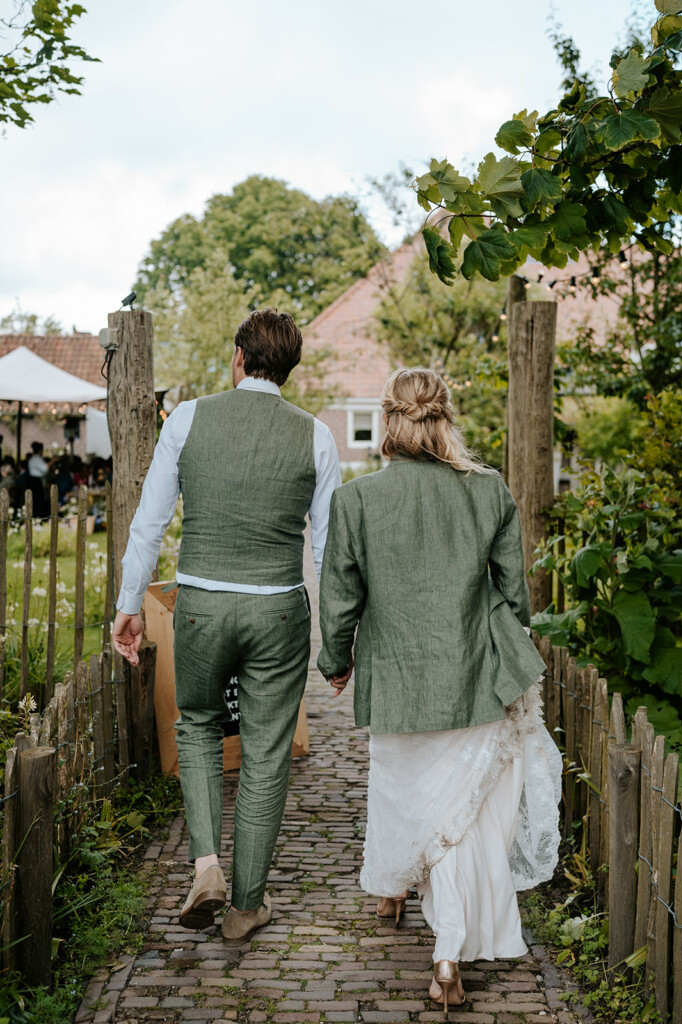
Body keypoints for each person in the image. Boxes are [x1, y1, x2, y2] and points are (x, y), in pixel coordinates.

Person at [317, 367, 562, 1017]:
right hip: (472, 680)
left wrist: (334, 661)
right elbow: (515, 598)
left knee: (405, 801)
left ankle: (408, 907)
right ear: (444, 418)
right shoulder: (488, 492)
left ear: (388, 421)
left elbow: (340, 601)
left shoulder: (357, 501)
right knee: (459, 820)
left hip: (396, 683)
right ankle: (445, 953)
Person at [112, 309, 341, 944]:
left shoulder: (186, 419)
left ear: (238, 357)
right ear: (287, 370)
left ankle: (206, 864)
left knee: (199, 728)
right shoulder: (317, 437)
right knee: (267, 752)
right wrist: (340, 637)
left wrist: (130, 604)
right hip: (278, 610)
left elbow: (149, 524)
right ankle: (246, 906)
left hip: (204, 606)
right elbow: (327, 552)